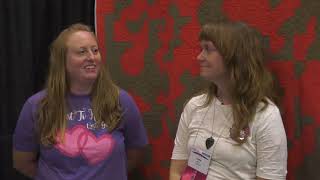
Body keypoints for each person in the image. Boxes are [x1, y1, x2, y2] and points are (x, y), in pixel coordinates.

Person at [13, 23, 148, 180]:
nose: (91, 57)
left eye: (95, 50)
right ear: (62, 60)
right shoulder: (36, 105)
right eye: (82, 52)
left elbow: (135, 154)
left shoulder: (121, 101)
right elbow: (22, 162)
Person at [170, 21, 287, 180]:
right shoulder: (195, 106)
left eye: (208, 49)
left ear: (234, 56)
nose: (199, 57)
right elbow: (177, 172)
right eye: (201, 49)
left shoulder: (266, 116)